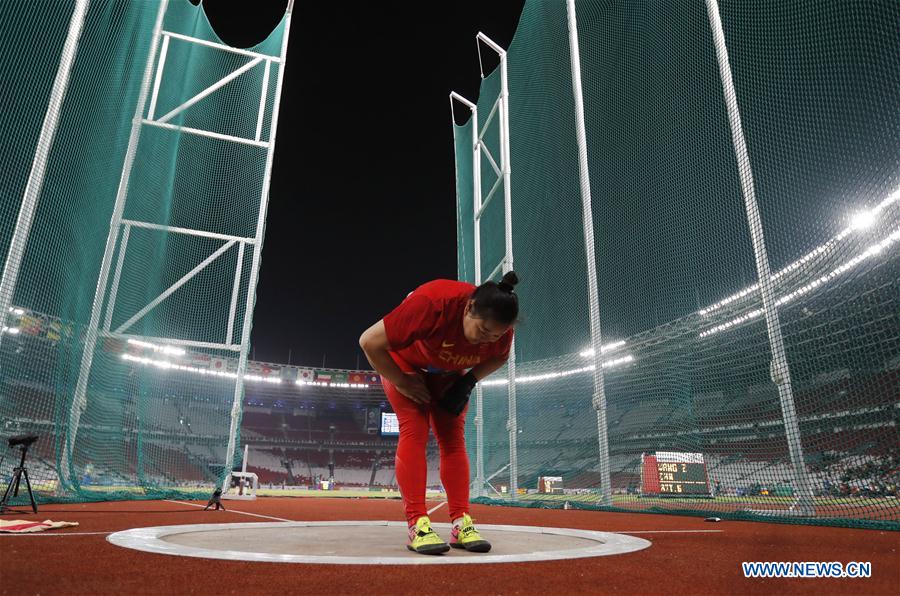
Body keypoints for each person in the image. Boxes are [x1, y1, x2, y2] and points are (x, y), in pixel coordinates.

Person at [359, 271, 519, 555]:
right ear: (469, 308)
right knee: (415, 429)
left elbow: (499, 356)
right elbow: (369, 341)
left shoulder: (499, 329)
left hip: (447, 372)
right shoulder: (432, 303)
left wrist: (468, 382)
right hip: (404, 363)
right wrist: (401, 380)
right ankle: (417, 524)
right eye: (482, 332)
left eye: (496, 335)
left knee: (453, 439)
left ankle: (461, 522)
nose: (486, 341)